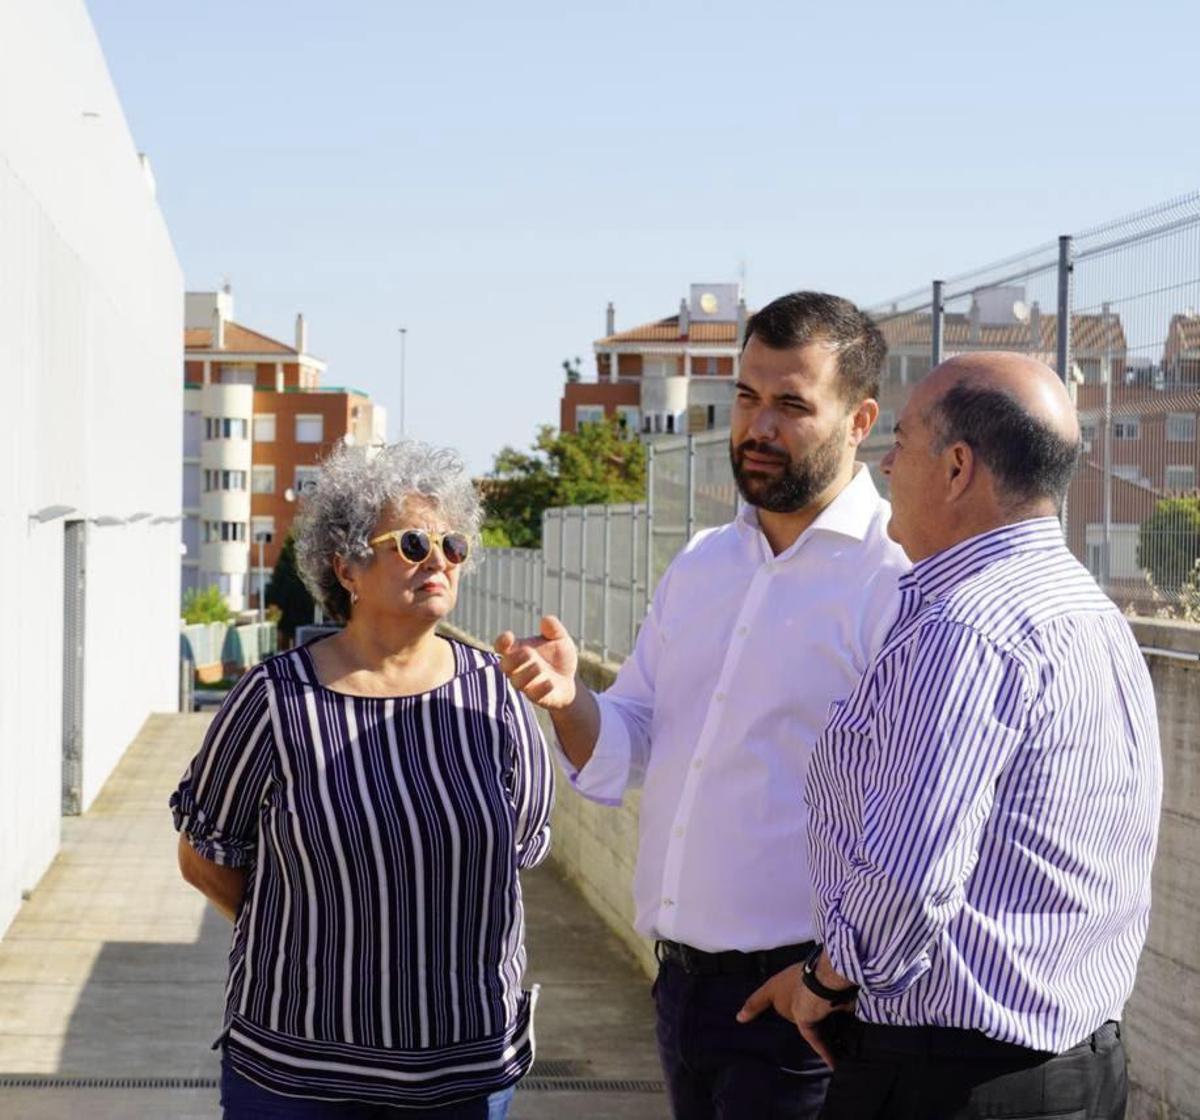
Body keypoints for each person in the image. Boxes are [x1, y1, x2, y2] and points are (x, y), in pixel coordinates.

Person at [496, 291, 910, 1119]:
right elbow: (633, 738)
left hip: (803, 1007)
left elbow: (915, 814)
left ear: (860, 420)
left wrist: (833, 977)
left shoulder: (893, 580)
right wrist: (570, 698)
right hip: (680, 992)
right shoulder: (702, 564)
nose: (757, 427)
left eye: (792, 404)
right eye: (747, 398)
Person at [739, 352, 1161, 1119]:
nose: (885, 462)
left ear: (958, 466)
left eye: (901, 440)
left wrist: (824, 982)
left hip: (955, 1077)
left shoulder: (966, 627)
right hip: (1079, 1065)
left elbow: (905, 881)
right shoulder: (1089, 610)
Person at [170, 441, 554, 1120]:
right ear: (346, 564)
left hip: (465, 1077)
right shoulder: (274, 700)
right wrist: (319, 934)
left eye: (453, 545)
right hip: (297, 1080)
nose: (439, 559)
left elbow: (516, 856)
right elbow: (206, 858)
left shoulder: (497, 699)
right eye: (412, 543)